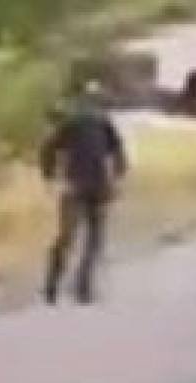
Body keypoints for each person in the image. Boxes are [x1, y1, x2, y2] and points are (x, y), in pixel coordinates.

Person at [42, 79, 130, 304]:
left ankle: (71, 286)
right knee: (81, 238)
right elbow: (119, 153)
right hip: (86, 186)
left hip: (87, 186)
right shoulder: (83, 122)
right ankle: (67, 286)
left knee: (79, 238)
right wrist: (50, 176)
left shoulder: (95, 123)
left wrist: (50, 175)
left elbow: (49, 149)